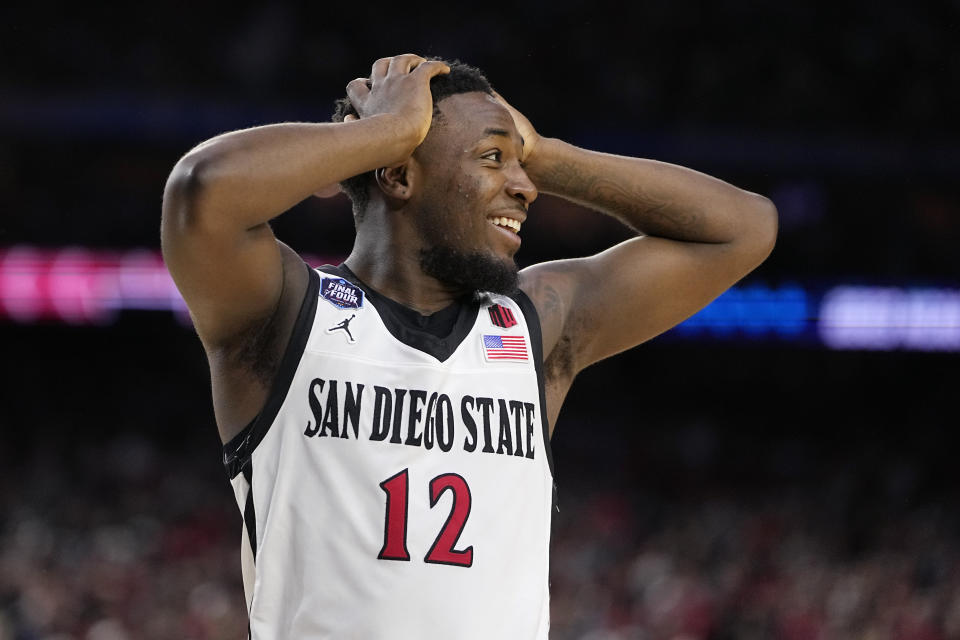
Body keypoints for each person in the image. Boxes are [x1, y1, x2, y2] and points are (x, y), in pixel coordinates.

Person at [161, 54, 777, 638]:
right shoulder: (286, 314)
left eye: (519, 164)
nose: (525, 187)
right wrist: (390, 129)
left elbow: (745, 229)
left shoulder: (534, 328)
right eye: (492, 158)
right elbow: (202, 189)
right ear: (399, 173)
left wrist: (547, 154)